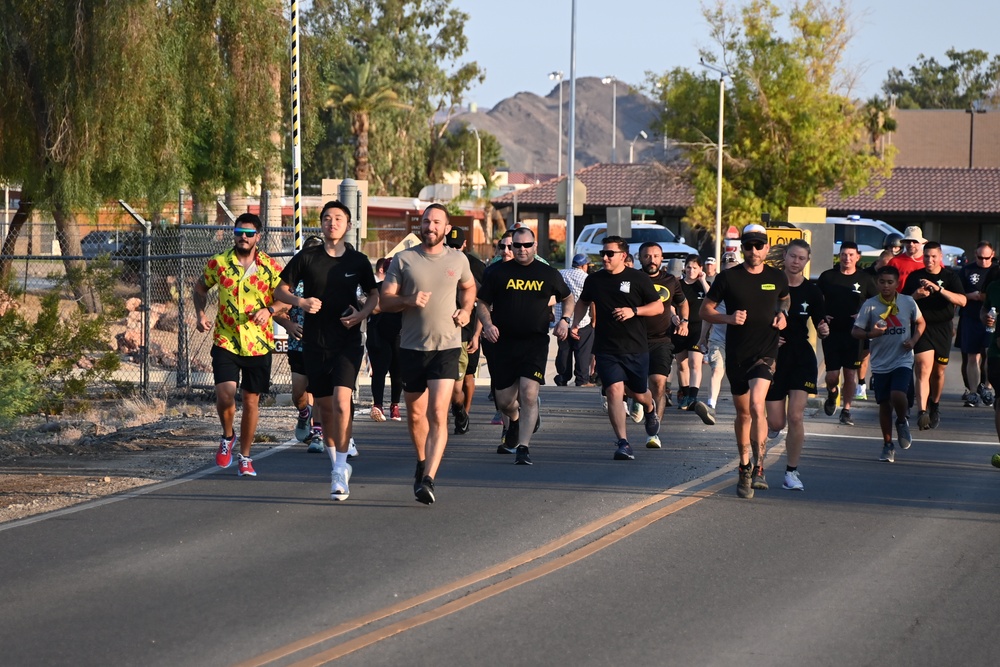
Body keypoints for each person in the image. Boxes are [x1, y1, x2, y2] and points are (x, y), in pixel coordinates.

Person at [274, 200, 379, 501]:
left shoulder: (358, 261)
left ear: (348, 224)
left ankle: (338, 473)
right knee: (327, 409)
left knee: (343, 404)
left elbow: (373, 295)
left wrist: (360, 316)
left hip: (347, 341)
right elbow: (280, 290)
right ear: (320, 223)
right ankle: (338, 465)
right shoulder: (306, 257)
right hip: (314, 343)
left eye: (338, 218)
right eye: (327, 218)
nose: (332, 223)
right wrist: (301, 303)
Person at [380, 204, 476, 504]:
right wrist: (409, 299)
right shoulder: (404, 259)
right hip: (411, 348)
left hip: (446, 346)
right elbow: (385, 300)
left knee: (437, 413)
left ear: (447, 228)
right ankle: (421, 461)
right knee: (416, 415)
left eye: (436, 222)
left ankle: (429, 478)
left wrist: (466, 309)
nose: (430, 226)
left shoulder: (458, 259)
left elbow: (469, 287)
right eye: (426, 221)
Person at [194, 212, 286, 478]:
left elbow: (286, 300)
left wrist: (269, 310)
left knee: (251, 400)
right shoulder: (219, 263)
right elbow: (200, 289)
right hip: (226, 339)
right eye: (238, 232)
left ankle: (245, 456)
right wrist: (201, 314)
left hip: (258, 343)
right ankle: (227, 436)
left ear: (258, 236)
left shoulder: (270, 267)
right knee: (225, 395)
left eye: (248, 234)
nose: (243, 238)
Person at [701, 224, 789, 499]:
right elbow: (705, 309)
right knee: (743, 414)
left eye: (759, 245)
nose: (753, 250)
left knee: (756, 404)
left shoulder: (777, 277)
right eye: (748, 245)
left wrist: (783, 316)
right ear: (742, 248)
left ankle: (760, 467)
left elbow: (785, 301)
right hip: (737, 353)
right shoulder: (729, 278)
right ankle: (744, 465)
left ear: (766, 248)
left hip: (766, 351)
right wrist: (728, 319)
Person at [477, 227, 573, 464]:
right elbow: (481, 302)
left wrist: (565, 320)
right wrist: (487, 324)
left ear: (535, 246)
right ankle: (515, 419)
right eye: (515, 246)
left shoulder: (547, 273)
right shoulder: (497, 272)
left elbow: (568, 297)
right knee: (505, 402)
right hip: (504, 343)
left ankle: (523, 447)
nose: (521, 250)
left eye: (526, 245)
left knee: (529, 393)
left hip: (534, 342)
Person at [571, 235, 663, 461]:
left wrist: (635, 311)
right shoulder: (594, 280)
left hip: (635, 347)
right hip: (606, 347)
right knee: (614, 390)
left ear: (623, 256)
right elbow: (583, 301)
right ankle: (623, 442)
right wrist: (574, 322)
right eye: (603, 253)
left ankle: (650, 408)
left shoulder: (638, 278)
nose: (604, 257)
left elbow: (658, 307)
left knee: (638, 393)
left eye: (609, 253)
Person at [764, 240, 829, 491]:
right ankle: (772, 428)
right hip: (775, 356)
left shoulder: (812, 291)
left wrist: (824, 329)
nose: (796, 261)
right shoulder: (771, 285)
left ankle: (791, 473)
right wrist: (769, 337)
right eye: (792, 256)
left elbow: (822, 324)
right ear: (786, 256)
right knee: (778, 423)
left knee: (796, 416)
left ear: (806, 261)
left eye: (801, 258)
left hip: (802, 356)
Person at [853, 265, 925, 463]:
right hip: (880, 362)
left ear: (897, 284)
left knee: (897, 394)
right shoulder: (870, 305)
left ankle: (902, 421)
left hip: (902, 358)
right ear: (877, 283)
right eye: (882, 282)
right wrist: (871, 334)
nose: (886, 286)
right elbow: (856, 331)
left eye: (890, 282)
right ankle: (887, 444)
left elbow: (921, 322)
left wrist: (913, 340)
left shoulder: (908, 302)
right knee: (884, 405)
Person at [901, 241, 966, 430]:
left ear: (940, 257)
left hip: (943, 328)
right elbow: (903, 303)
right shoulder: (915, 277)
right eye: (926, 256)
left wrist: (939, 290)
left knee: (938, 372)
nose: (929, 260)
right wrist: (915, 295)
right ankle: (922, 412)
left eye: (933, 256)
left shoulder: (950, 277)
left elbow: (962, 301)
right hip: (922, 327)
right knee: (922, 369)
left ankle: (935, 405)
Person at [272, 235, 326, 453]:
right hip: (298, 345)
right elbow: (276, 310)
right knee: (298, 394)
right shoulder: (293, 284)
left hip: (322, 344)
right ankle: (305, 414)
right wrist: (288, 325)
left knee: (320, 390)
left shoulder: (328, 280)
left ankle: (318, 434)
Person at [637, 241, 691, 447]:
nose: (652, 260)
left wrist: (684, 321)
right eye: (647, 256)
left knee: (659, 383)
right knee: (636, 385)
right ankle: (638, 400)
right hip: (635, 340)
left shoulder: (670, 280)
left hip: (662, 340)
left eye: (656, 256)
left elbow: (682, 302)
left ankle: (653, 431)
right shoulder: (633, 279)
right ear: (639, 258)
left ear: (662, 258)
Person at [816, 242, 876, 426]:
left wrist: (864, 315)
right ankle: (833, 393)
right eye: (843, 254)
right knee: (832, 375)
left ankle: (846, 410)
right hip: (832, 333)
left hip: (854, 334)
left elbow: (877, 303)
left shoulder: (866, 279)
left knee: (850, 374)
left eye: (851, 255)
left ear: (858, 257)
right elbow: (816, 301)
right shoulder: (828, 277)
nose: (847, 258)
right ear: (839, 256)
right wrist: (822, 315)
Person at [444, 227, 486, 435]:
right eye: (450, 246)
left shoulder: (477, 267)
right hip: (443, 333)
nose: (453, 249)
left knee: (467, 376)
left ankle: (464, 413)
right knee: (449, 382)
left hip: (467, 331)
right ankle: (456, 412)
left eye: (457, 246)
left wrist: (477, 334)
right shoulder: (439, 261)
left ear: (465, 244)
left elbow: (484, 303)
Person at [700, 252, 741, 414]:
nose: (729, 272)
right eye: (726, 269)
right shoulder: (718, 287)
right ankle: (711, 405)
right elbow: (707, 314)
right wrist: (702, 337)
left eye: (733, 268)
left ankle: (751, 409)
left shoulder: (746, 286)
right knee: (717, 369)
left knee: (741, 376)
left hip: (742, 340)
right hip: (719, 339)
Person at [366, 256, 403, 422]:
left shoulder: (405, 291)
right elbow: (371, 308)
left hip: (399, 333)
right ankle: (378, 405)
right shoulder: (377, 288)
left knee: (397, 371)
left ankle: (395, 404)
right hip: (378, 333)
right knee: (379, 370)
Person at [958, 242, 995, 407]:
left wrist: (985, 297)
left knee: (990, 353)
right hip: (971, 317)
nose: (984, 261)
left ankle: (987, 387)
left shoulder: (996, 272)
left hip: (992, 319)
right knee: (972, 356)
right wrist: (969, 296)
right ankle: (973, 391)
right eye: (980, 257)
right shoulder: (966, 271)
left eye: (987, 258)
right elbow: (956, 294)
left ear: (992, 255)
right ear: (975, 254)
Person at [674, 255, 711, 412]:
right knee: (682, 364)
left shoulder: (704, 285)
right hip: (680, 327)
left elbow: (712, 298)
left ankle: (693, 397)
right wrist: (674, 317)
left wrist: (703, 281)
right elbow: (670, 303)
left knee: (694, 363)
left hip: (698, 328)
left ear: (700, 269)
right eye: (689, 267)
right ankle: (685, 392)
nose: (691, 270)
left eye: (695, 267)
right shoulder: (678, 285)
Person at [554, 254, 595, 387]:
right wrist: (594, 320)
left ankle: (562, 377)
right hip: (581, 322)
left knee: (564, 351)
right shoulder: (587, 278)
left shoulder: (561, 274)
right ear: (583, 266)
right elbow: (592, 301)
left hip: (562, 322)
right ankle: (582, 380)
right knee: (582, 351)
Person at [887, 225, 927, 293]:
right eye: (908, 241)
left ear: (921, 242)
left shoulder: (930, 261)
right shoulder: (894, 262)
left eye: (915, 241)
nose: (911, 244)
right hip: (900, 301)